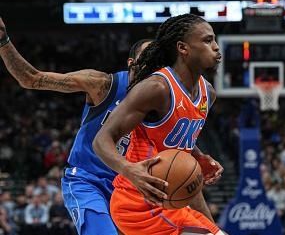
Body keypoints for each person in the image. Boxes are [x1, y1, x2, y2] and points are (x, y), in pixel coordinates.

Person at [0, 17, 223, 235]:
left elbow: (173, 142)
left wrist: (197, 155)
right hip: (90, 180)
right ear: (131, 63)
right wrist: (3, 41)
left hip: (135, 187)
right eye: (148, 58)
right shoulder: (103, 85)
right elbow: (32, 78)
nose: (155, 65)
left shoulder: (164, 94)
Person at [93, 13, 225, 235]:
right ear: (183, 48)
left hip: (169, 200)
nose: (216, 47)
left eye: (214, 40)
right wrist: (129, 169)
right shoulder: (157, 88)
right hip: (138, 203)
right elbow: (101, 140)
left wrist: (198, 156)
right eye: (207, 40)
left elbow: (173, 140)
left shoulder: (207, 93)